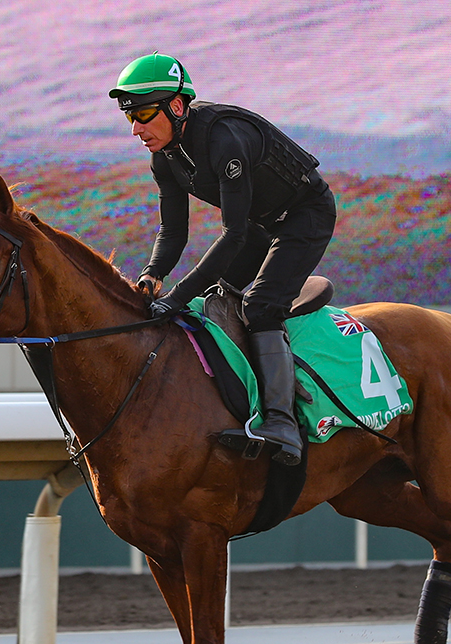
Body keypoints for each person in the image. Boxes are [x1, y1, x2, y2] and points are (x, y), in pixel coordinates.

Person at [109, 53, 337, 466]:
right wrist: (152, 274)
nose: (136, 129)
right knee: (217, 297)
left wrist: (176, 297)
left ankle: (283, 423)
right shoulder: (164, 157)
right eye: (129, 118)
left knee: (260, 306)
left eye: (143, 114)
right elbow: (173, 232)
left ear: (176, 106)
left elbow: (231, 236)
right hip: (259, 222)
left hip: (305, 215)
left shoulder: (224, 139)